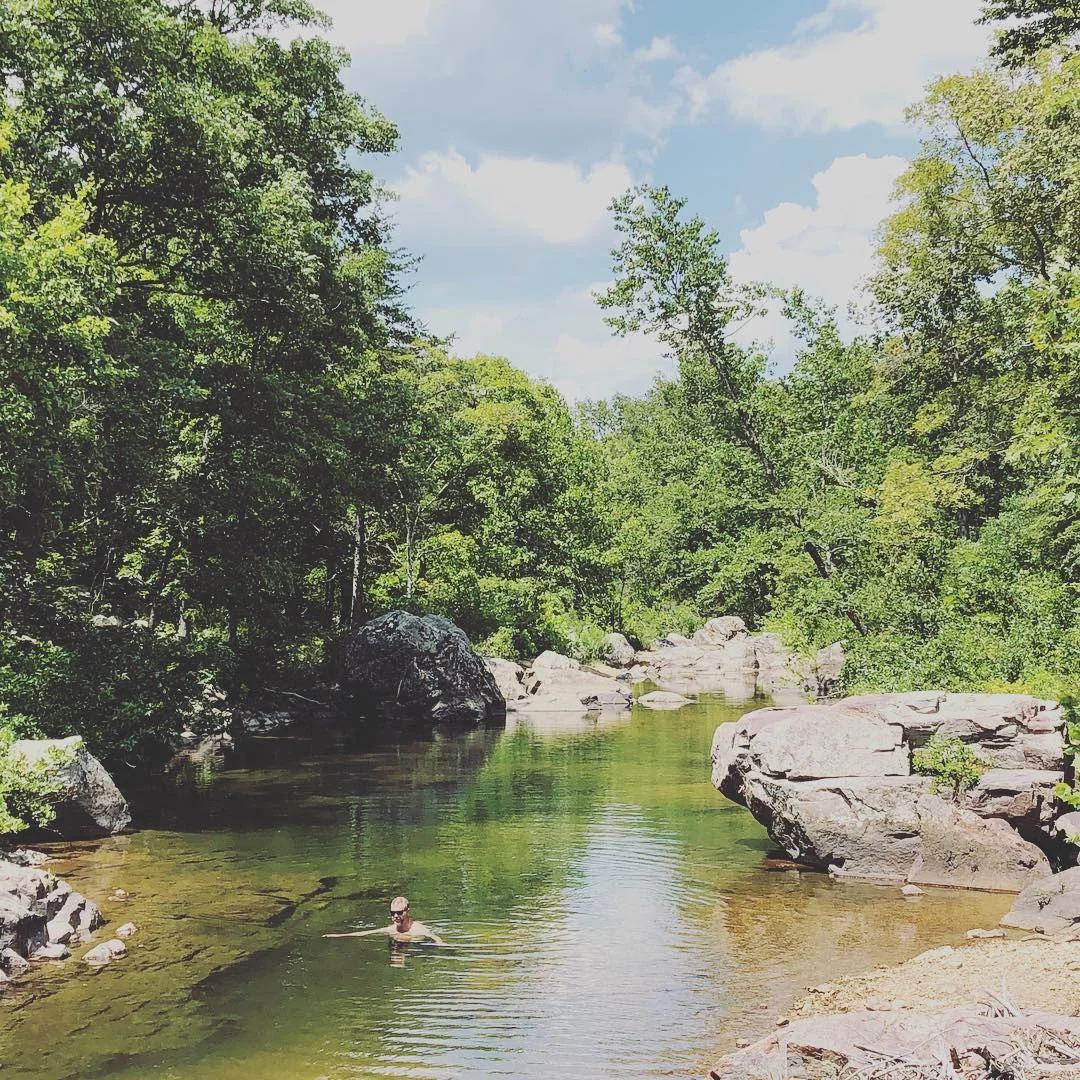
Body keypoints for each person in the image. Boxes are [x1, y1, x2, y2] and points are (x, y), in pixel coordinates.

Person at [323, 896, 445, 945]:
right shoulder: (391, 929)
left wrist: (443, 945)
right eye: (393, 913)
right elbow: (366, 933)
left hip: (420, 947)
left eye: (399, 912)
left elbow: (435, 938)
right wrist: (337, 935)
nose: (396, 916)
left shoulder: (417, 928)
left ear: (407, 911)